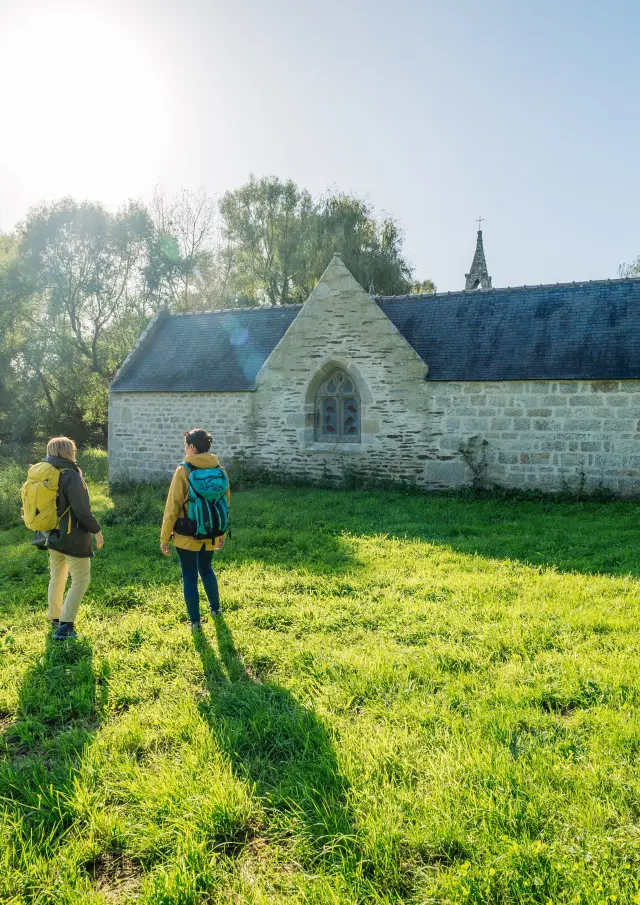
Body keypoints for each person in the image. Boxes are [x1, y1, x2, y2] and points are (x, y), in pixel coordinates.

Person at [34, 437, 104, 640]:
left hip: (50, 534)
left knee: (57, 575)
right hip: (72, 535)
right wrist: (97, 531)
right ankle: (65, 626)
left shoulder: (45, 474)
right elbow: (82, 511)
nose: (75, 453)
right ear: (67, 452)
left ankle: (55, 617)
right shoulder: (70, 476)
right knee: (81, 578)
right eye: (74, 450)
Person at [160, 428, 230, 632]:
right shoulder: (220, 470)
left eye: (185, 446)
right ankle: (216, 610)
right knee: (206, 569)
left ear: (192, 447)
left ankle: (195, 622)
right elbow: (225, 503)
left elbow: (172, 506)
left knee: (189, 576)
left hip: (186, 534)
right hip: (211, 532)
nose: (185, 449)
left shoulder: (184, 470)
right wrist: (221, 532)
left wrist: (164, 537)